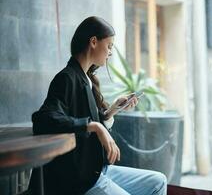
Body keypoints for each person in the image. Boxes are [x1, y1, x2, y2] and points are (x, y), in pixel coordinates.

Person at [30, 16, 167, 195]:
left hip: (98, 170)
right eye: (109, 46)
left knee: (158, 181)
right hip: (80, 179)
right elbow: (44, 119)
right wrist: (95, 127)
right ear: (93, 42)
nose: (110, 52)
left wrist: (110, 112)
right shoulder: (67, 78)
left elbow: (84, 116)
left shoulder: (86, 78)